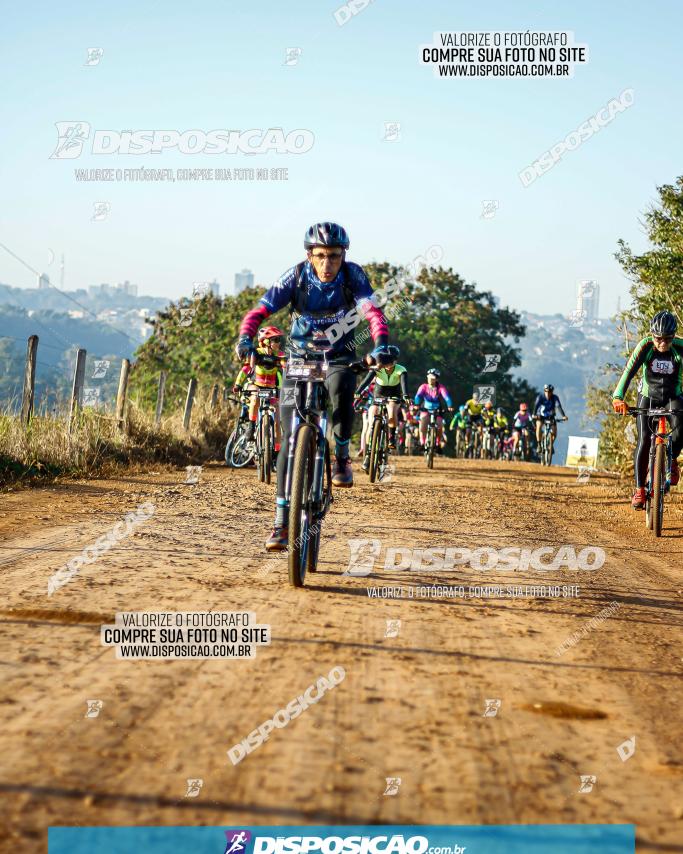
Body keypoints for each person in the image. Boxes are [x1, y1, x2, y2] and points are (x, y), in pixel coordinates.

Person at [235, 222, 391, 551]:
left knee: (341, 391)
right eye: (320, 256)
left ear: (343, 255)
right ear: (309, 255)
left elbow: (373, 313)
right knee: (290, 441)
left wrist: (380, 346)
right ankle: (280, 523)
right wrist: (246, 339)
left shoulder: (353, 276)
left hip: (339, 357)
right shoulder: (295, 277)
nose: (327, 263)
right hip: (299, 358)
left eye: (334, 256)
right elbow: (258, 311)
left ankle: (342, 458)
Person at [612, 310, 683, 509]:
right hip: (647, 397)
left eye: (667, 339)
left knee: (679, 429)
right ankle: (639, 490)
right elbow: (628, 372)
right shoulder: (645, 346)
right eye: (658, 338)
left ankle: (672, 461)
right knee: (644, 439)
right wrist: (618, 397)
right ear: (652, 335)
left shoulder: (680, 347)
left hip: (672, 396)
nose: (662, 343)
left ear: (673, 336)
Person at [355, 345, 408, 470]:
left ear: (395, 361)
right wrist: (358, 391)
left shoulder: (401, 369)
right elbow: (366, 381)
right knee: (371, 419)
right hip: (379, 394)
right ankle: (368, 454)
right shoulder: (378, 368)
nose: (388, 365)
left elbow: (404, 383)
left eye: (391, 361)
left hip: (394, 394)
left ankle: (391, 437)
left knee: (391, 411)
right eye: (386, 361)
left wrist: (405, 395)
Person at [232, 326, 285, 447]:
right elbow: (246, 369)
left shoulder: (279, 354)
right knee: (255, 397)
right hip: (256, 385)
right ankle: (251, 426)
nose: (278, 343)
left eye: (278, 340)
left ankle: (277, 452)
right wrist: (237, 384)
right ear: (266, 341)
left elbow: (286, 366)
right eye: (275, 340)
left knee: (277, 419)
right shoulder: (256, 353)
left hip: (272, 389)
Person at [414, 369, 454, 452]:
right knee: (423, 422)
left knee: (440, 426)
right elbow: (418, 396)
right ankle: (422, 442)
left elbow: (447, 397)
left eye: (432, 378)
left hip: (437, 410)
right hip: (425, 408)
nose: (430, 380)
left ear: (437, 379)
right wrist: (417, 404)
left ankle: (437, 443)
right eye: (429, 378)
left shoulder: (440, 388)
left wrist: (449, 405)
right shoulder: (423, 386)